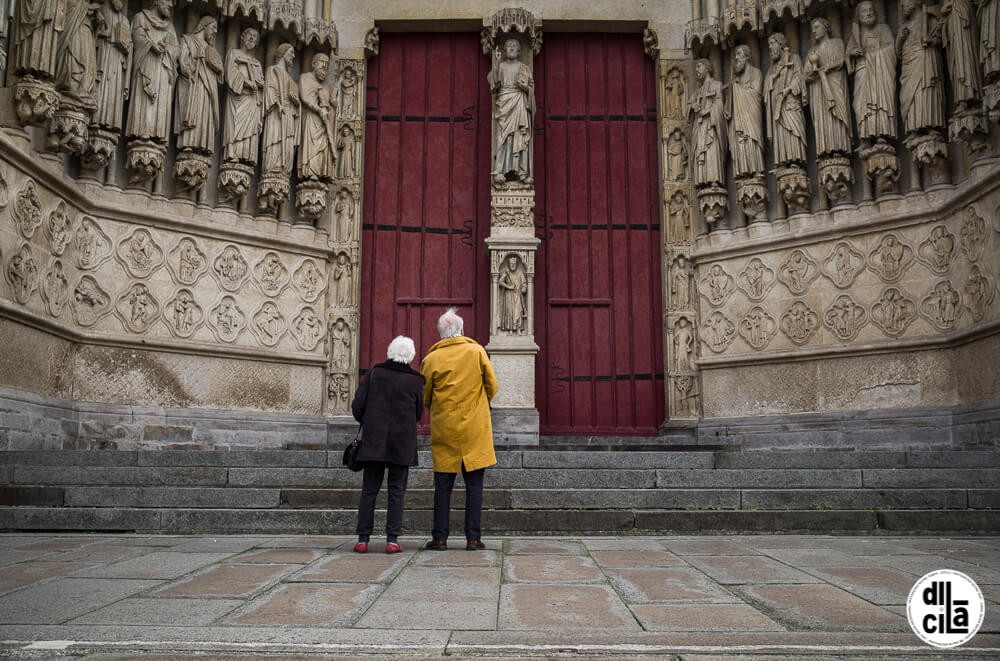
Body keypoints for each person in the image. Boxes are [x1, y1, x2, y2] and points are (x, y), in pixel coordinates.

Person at [420, 308, 499, 551]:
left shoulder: (431, 359)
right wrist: (478, 402)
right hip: (475, 429)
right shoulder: (476, 352)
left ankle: (440, 538)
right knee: (475, 487)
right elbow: (492, 386)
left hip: (446, 428)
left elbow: (425, 396)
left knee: (443, 487)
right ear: (461, 330)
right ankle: (473, 538)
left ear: (440, 333)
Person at [351, 336, 424, 555]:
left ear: (389, 351)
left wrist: (370, 422)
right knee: (397, 491)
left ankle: (363, 539)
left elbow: (357, 406)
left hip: (374, 441)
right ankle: (392, 540)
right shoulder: (416, 381)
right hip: (401, 443)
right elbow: (419, 412)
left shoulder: (374, 374)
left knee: (369, 490)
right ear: (410, 356)